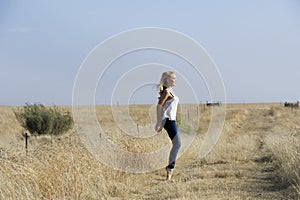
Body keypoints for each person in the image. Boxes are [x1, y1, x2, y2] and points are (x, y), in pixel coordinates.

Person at [155, 71, 181, 180]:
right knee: (177, 144)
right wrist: (159, 123)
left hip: (172, 120)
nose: (175, 80)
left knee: (177, 144)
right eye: (173, 78)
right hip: (168, 121)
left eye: (175, 78)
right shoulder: (166, 92)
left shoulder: (170, 91)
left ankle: (169, 169)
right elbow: (159, 106)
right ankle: (170, 169)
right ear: (167, 80)